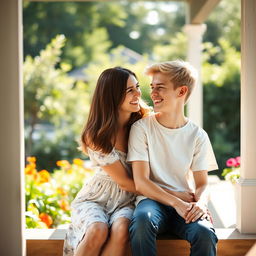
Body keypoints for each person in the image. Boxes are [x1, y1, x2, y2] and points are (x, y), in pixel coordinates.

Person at [127, 60, 218, 256]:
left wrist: (200, 204)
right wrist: (178, 203)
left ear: (181, 91)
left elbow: (202, 183)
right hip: (151, 201)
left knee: (204, 233)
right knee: (142, 222)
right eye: (152, 87)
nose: (153, 94)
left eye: (160, 88)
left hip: (186, 204)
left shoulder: (198, 135)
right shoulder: (141, 129)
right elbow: (141, 182)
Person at [63, 67, 149, 256]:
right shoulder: (97, 135)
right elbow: (125, 182)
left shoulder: (144, 124)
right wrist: (168, 194)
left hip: (127, 201)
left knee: (122, 230)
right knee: (97, 229)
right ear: (112, 96)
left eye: (137, 87)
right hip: (97, 198)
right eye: (129, 91)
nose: (138, 94)